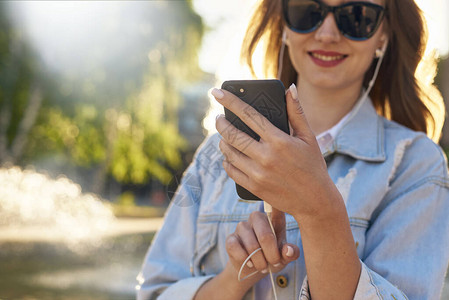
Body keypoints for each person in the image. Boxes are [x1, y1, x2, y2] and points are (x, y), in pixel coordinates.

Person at [136, 0, 449, 299]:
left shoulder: (416, 165)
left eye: (356, 15)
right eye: (306, 11)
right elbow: (156, 293)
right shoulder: (215, 153)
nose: (327, 33)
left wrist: (321, 212)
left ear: (384, 34)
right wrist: (234, 277)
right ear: (283, 23)